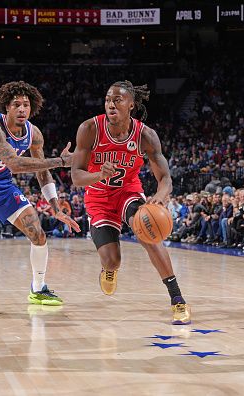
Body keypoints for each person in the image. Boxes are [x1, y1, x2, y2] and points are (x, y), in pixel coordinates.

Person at [71, 80, 191, 325]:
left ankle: (177, 298)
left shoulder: (145, 135)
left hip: (128, 192)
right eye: (107, 99)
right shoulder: (89, 129)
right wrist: (99, 175)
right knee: (112, 260)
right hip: (98, 198)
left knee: (149, 231)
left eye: (117, 99)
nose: (111, 104)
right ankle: (109, 269)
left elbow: (165, 177)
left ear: (131, 105)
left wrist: (160, 196)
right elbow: (76, 177)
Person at [0, 81, 79, 306]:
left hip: (3, 186)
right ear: (7, 107)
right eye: (16, 105)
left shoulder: (34, 134)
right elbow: (14, 164)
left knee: (38, 234)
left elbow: (42, 172)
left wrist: (56, 207)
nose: (22, 109)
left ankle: (39, 288)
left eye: (26, 105)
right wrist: (60, 161)